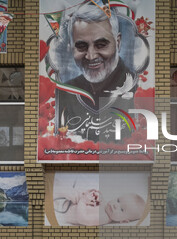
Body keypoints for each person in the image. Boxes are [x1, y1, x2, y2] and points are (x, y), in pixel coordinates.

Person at [56, 2, 137, 142]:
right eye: (81, 46)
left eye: (101, 45)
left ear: (118, 43)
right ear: (71, 49)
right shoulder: (65, 91)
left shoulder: (137, 88)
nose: (91, 56)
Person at [54, 188, 146, 225]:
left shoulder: (104, 218)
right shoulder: (106, 205)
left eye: (122, 209)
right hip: (70, 202)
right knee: (71, 192)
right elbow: (96, 201)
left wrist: (83, 201)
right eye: (118, 200)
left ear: (124, 221)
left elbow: (83, 219)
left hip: (64, 212)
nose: (115, 205)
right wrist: (95, 195)